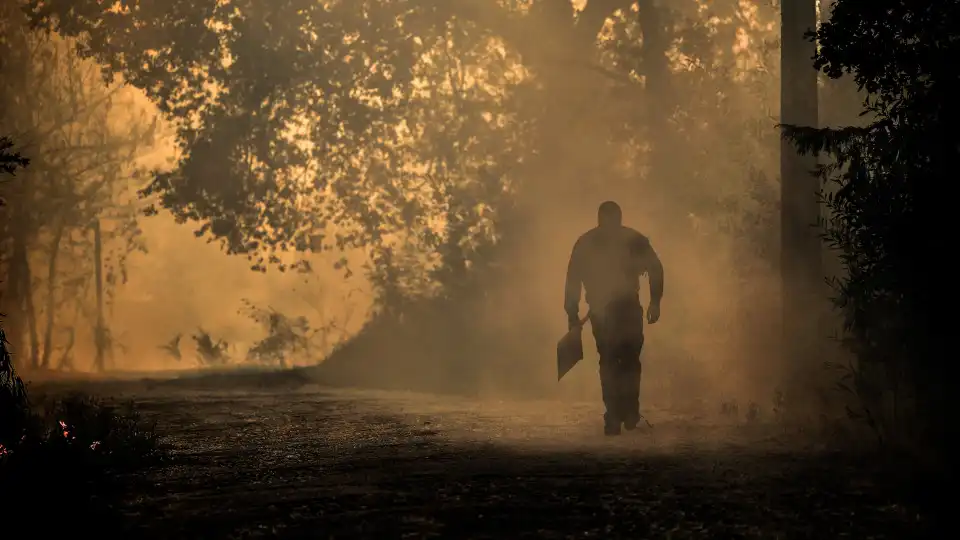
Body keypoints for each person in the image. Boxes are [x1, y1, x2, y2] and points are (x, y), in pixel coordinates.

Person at [564, 201, 664, 435]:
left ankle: (628, 411)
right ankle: (615, 414)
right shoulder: (588, 243)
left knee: (627, 359)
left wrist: (656, 301)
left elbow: (656, 269)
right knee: (610, 360)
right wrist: (571, 313)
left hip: (627, 307)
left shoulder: (628, 241)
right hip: (604, 312)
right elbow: (573, 280)